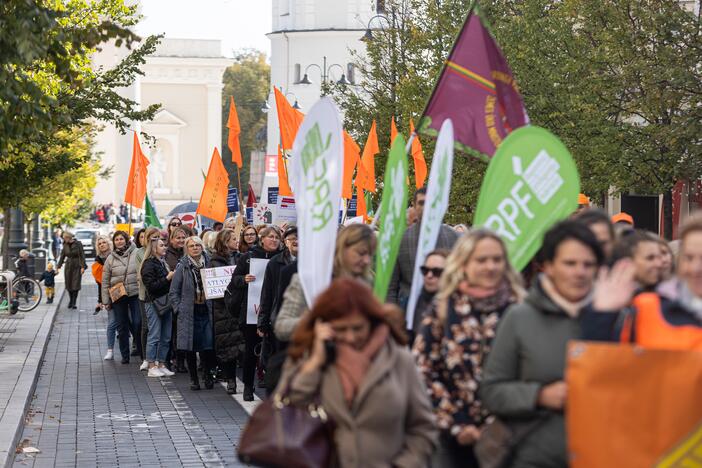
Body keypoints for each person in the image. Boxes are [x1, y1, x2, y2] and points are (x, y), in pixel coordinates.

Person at [480, 220, 604, 467]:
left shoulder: (616, 317)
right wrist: (539, 395)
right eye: (570, 263)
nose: (580, 272)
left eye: (588, 264)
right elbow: (491, 391)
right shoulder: (520, 317)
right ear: (548, 266)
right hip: (536, 457)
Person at [276, 278, 437, 467]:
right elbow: (284, 410)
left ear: (372, 320)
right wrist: (314, 364)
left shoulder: (398, 359)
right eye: (341, 329)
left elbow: (422, 426)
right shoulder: (309, 356)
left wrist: (406, 464)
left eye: (358, 328)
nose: (350, 337)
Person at [414, 231, 525, 467]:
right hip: (453, 438)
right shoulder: (444, 307)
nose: (490, 266)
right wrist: (457, 423)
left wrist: (494, 425)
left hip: (508, 435)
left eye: (496, 259)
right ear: (464, 264)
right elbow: (425, 370)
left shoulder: (519, 308)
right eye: (482, 260)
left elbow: (530, 370)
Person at [582, 214, 702, 349]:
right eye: (689, 258)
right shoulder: (647, 308)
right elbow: (602, 362)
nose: (695, 268)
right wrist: (602, 316)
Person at [275, 224, 377, 344]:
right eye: (361, 253)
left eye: (370, 255)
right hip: (316, 356)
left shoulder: (367, 282)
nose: (367, 260)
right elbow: (281, 327)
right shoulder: (307, 279)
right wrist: (315, 322)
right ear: (341, 249)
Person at [227, 226, 281, 401]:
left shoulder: (282, 259)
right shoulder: (248, 257)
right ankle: (248, 387)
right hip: (252, 313)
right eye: (271, 237)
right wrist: (243, 279)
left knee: (274, 352)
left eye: (277, 237)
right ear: (262, 239)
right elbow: (234, 281)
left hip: (274, 314)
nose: (274, 240)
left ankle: (272, 387)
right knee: (251, 351)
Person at [387, 187, 460, 306]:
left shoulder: (454, 237)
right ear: (414, 206)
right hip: (409, 307)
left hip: (446, 304)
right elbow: (391, 285)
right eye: (421, 203)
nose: (426, 207)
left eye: (431, 203)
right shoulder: (400, 240)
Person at [169, 236, 216, 390]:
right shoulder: (182, 266)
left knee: (208, 345)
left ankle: (208, 374)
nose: (195, 248)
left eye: (197, 245)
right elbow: (173, 292)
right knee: (191, 346)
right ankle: (194, 378)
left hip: (207, 309)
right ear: (186, 249)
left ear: (202, 247)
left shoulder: (209, 263)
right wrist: (179, 308)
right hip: (190, 311)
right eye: (191, 246)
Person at [257, 226, 298, 395]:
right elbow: (267, 293)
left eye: (298, 238)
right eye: (291, 239)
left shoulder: (314, 263)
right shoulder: (276, 263)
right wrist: (263, 321)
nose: (296, 241)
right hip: (280, 319)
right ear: (285, 243)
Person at [209, 228, 243, 394]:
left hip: (239, 307)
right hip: (222, 309)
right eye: (233, 239)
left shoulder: (241, 258)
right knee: (227, 344)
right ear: (224, 242)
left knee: (241, 343)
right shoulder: (214, 262)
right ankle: (230, 380)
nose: (237, 241)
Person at [102, 230, 140, 364]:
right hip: (118, 295)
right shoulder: (110, 259)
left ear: (126, 240)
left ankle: (140, 348)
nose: (119, 241)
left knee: (137, 322)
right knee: (121, 326)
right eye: (116, 239)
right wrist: (105, 300)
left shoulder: (136, 253)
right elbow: (105, 280)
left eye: (121, 239)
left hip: (135, 293)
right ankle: (125, 355)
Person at [140, 237, 175, 378]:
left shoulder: (162, 263)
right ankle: (151, 365)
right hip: (153, 302)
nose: (165, 247)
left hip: (166, 302)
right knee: (154, 334)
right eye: (161, 245)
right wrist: (167, 278)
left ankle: (161, 363)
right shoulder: (148, 264)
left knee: (166, 335)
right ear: (154, 248)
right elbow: (151, 286)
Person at [406, 249, 449, 340]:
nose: (429, 275)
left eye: (437, 271)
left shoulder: (456, 306)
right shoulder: (419, 300)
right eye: (425, 270)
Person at [136, 228, 161, 371]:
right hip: (146, 295)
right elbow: (142, 273)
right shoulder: (139, 253)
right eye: (152, 237)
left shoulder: (161, 250)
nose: (155, 240)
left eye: (157, 237)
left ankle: (158, 358)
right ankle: (146, 357)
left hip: (161, 295)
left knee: (159, 328)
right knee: (147, 327)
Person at [165, 226, 188, 373]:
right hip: (173, 297)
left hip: (188, 296)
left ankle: (182, 359)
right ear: (172, 239)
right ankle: (174, 360)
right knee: (174, 331)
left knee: (184, 331)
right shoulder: (167, 254)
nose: (181, 240)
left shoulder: (189, 251)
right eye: (177, 238)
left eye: (183, 237)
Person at [93, 235, 118, 360]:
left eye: (104, 242)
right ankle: (110, 350)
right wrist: (100, 300)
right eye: (99, 243)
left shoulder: (116, 256)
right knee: (112, 323)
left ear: (108, 243)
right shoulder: (97, 262)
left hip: (121, 291)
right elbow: (100, 284)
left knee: (130, 322)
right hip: (108, 295)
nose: (102, 245)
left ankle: (135, 345)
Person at [57, 231, 87, 309]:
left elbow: (82, 255)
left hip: (77, 265)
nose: (64, 239)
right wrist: (58, 267)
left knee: (75, 285)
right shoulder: (65, 245)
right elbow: (62, 256)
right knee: (69, 284)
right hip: (68, 266)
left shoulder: (78, 244)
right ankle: (70, 300)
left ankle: (74, 302)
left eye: (65, 238)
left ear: (68, 237)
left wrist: (83, 266)